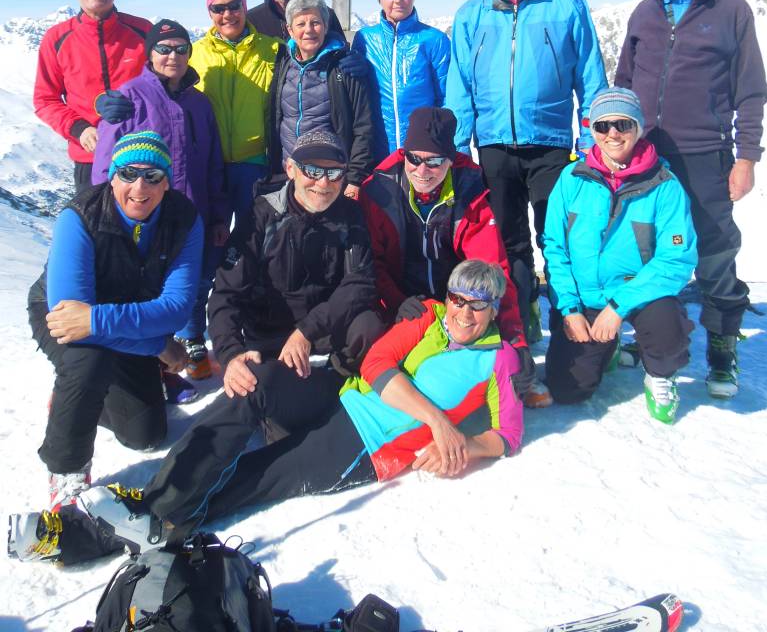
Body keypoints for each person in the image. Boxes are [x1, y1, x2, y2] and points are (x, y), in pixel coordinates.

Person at [9, 261, 524, 563]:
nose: (463, 312)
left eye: (477, 305)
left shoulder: (498, 359)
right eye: (458, 298)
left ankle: (88, 534)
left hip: (366, 446)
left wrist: (463, 444)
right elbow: (377, 364)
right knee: (259, 384)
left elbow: (509, 434)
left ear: (493, 309)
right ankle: (156, 506)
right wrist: (438, 422)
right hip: (341, 395)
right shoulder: (430, 316)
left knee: (254, 477)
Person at [616, 0, 767, 399]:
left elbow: (750, 90)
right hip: (646, 154)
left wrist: (746, 157)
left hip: (705, 153)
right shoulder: (645, 12)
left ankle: (722, 348)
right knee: (644, 248)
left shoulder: (731, 10)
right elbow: (623, 82)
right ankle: (651, 332)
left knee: (714, 250)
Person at [446, 0, 607, 339]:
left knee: (559, 239)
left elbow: (590, 78)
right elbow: (460, 89)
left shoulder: (566, 2)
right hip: (494, 146)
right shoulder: (471, 14)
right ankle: (520, 318)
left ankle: (570, 325)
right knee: (507, 241)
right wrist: (458, 150)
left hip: (551, 145)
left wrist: (591, 140)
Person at [25, 131, 203, 510]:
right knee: (88, 360)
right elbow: (70, 315)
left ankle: (77, 397)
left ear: (167, 182)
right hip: (58, 316)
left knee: (145, 435)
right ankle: (67, 468)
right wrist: (157, 345)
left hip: (108, 319)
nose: (139, 187)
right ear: (111, 177)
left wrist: (98, 320)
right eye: (128, 174)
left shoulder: (184, 219)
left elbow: (175, 308)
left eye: (152, 176)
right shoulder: (81, 216)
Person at [543, 88, 697, 422]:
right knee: (568, 390)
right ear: (593, 131)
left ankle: (661, 374)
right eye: (603, 126)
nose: (612, 133)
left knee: (665, 320)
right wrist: (569, 309)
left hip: (640, 295)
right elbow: (554, 247)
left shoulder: (665, 184)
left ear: (638, 128)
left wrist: (617, 307)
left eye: (623, 124)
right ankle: (606, 349)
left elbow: (676, 259)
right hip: (587, 297)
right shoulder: (572, 178)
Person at [91, 20, 229, 380]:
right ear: (150, 54)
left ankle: (190, 337)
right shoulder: (129, 98)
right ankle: (150, 354)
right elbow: (105, 165)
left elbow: (213, 163)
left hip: (192, 211)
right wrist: (108, 214)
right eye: (164, 49)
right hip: (144, 212)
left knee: (192, 279)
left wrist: (218, 216)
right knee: (147, 282)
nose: (173, 56)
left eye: (181, 49)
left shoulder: (199, 103)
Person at [209, 129, 385, 396]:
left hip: (323, 330)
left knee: (369, 326)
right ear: (290, 169)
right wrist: (231, 353)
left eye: (334, 172)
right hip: (270, 337)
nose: (323, 183)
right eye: (312, 171)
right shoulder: (261, 216)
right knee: (258, 387)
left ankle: (336, 386)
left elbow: (360, 284)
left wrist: (306, 331)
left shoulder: (350, 214)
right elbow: (225, 293)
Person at [359, 107, 527, 352]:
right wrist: (397, 301)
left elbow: (492, 268)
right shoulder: (378, 191)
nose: (422, 170)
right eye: (414, 158)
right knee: (371, 338)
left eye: (434, 162)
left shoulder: (468, 192)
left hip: (456, 303)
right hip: (399, 301)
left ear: (450, 160)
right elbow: (372, 263)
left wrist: (515, 339)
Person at [33, 0, 151, 191]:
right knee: (95, 216)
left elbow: (164, 84)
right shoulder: (57, 38)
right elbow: (45, 99)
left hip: (142, 150)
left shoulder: (143, 30)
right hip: (90, 156)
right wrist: (80, 129)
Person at [191, 0, 281, 238]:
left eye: (234, 5)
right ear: (209, 12)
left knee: (253, 240)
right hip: (210, 164)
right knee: (209, 240)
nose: (227, 14)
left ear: (244, 5)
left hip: (255, 163)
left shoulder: (274, 50)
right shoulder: (194, 54)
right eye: (218, 8)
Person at [270, 0, 375, 199]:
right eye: (301, 24)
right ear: (290, 30)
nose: (308, 29)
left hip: (331, 177)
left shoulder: (343, 67)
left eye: (315, 22)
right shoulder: (284, 64)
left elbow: (363, 125)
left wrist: (355, 178)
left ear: (326, 27)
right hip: (291, 174)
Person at [351, 0, 451, 157]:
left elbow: (446, 97)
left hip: (422, 150)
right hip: (377, 148)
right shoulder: (365, 39)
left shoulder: (434, 39)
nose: (398, 0)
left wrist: (441, 142)